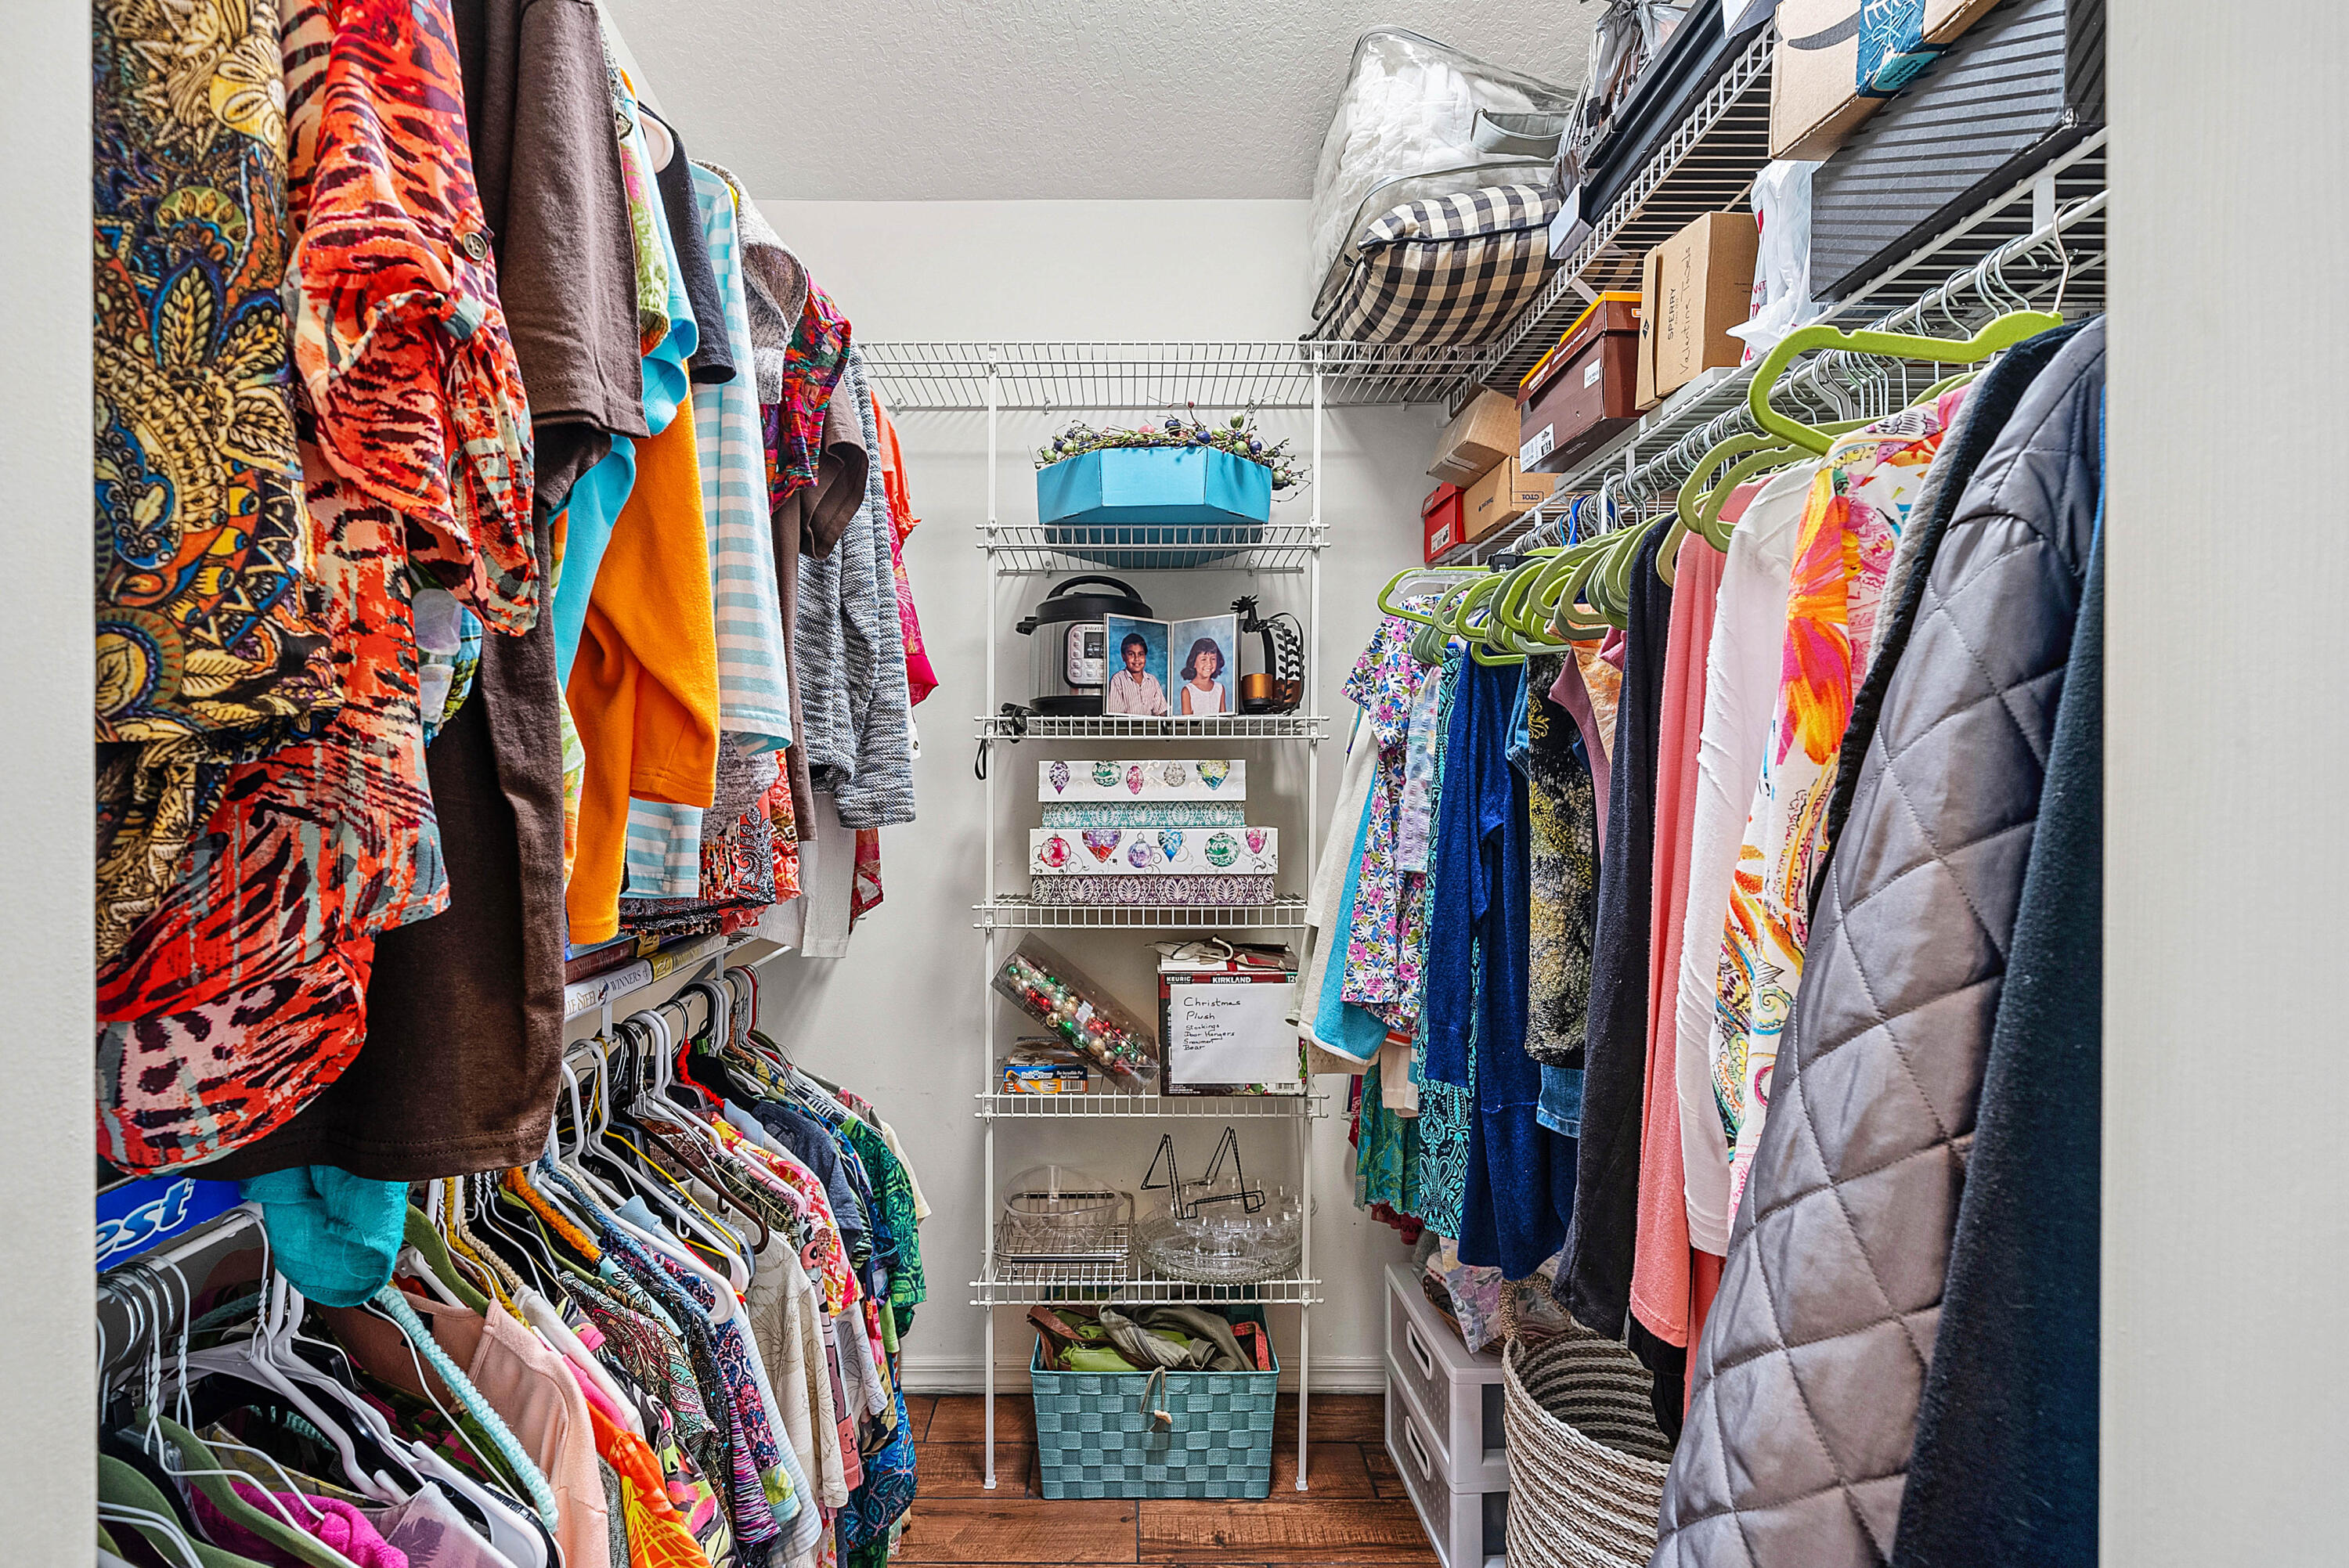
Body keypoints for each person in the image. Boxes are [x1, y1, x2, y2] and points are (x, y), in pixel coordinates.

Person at [1106, 631, 1170, 715]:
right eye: (1131, 654)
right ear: (1123, 657)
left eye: (1140, 654)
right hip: (1126, 723)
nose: (1137, 659)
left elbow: (1161, 712)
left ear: (1145, 656)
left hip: (1149, 723)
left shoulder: (1152, 681)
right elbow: (1115, 715)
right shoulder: (1118, 680)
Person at [1179, 637, 1229, 716]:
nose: (1209, 664)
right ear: (1193, 663)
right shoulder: (1188, 691)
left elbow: (1223, 718)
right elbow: (1187, 721)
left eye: (1213, 659)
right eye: (1203, 659)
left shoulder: (1220, 689)